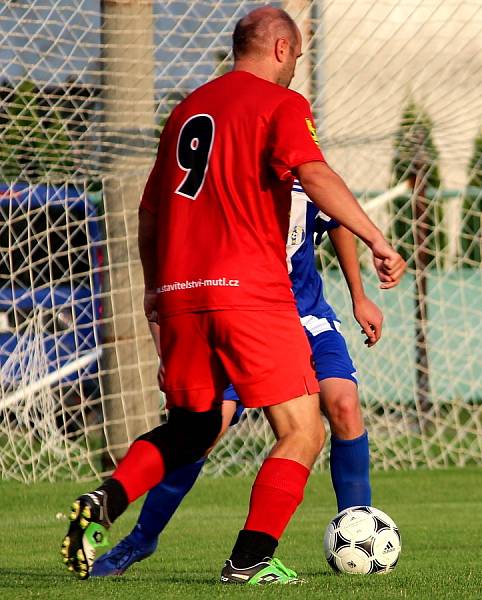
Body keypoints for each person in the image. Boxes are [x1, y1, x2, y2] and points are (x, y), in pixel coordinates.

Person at [60, 5, 405, 585]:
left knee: (193, 429)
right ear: (279, 49)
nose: (295, 66)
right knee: (301, 429)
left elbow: (149, 215)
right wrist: (377, 238)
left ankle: (107, 500)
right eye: (295, 55)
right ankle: (249, 561)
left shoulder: (185, 110)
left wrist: (153, 292)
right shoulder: (281, 104)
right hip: (249, 293)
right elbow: (315, 175)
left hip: (179, 294)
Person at [91, 182, 384, 577]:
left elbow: (337, 221)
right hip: (245, 318)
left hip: (306, 316)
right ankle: (142, 538)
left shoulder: (307, 173)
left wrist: (359, 295)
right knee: (206, 430)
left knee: (344, 405)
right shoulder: (231, 178)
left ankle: (357, 530)